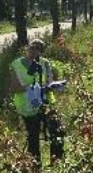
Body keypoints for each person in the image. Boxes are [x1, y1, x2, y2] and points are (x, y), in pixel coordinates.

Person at [6, 38, 65, 166]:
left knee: (57, 131)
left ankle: (57, 163)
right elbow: (14, 88)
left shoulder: (45, 63)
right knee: (33, 136)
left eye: (38, 48)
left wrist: (53, 86)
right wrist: (31, 89)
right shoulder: (16, 64)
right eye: (32, 47)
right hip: (27, 105)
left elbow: (49, 81)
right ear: (27, 48)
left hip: (46, 101)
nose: (34, 50)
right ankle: (35, 166)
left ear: (41, 51)